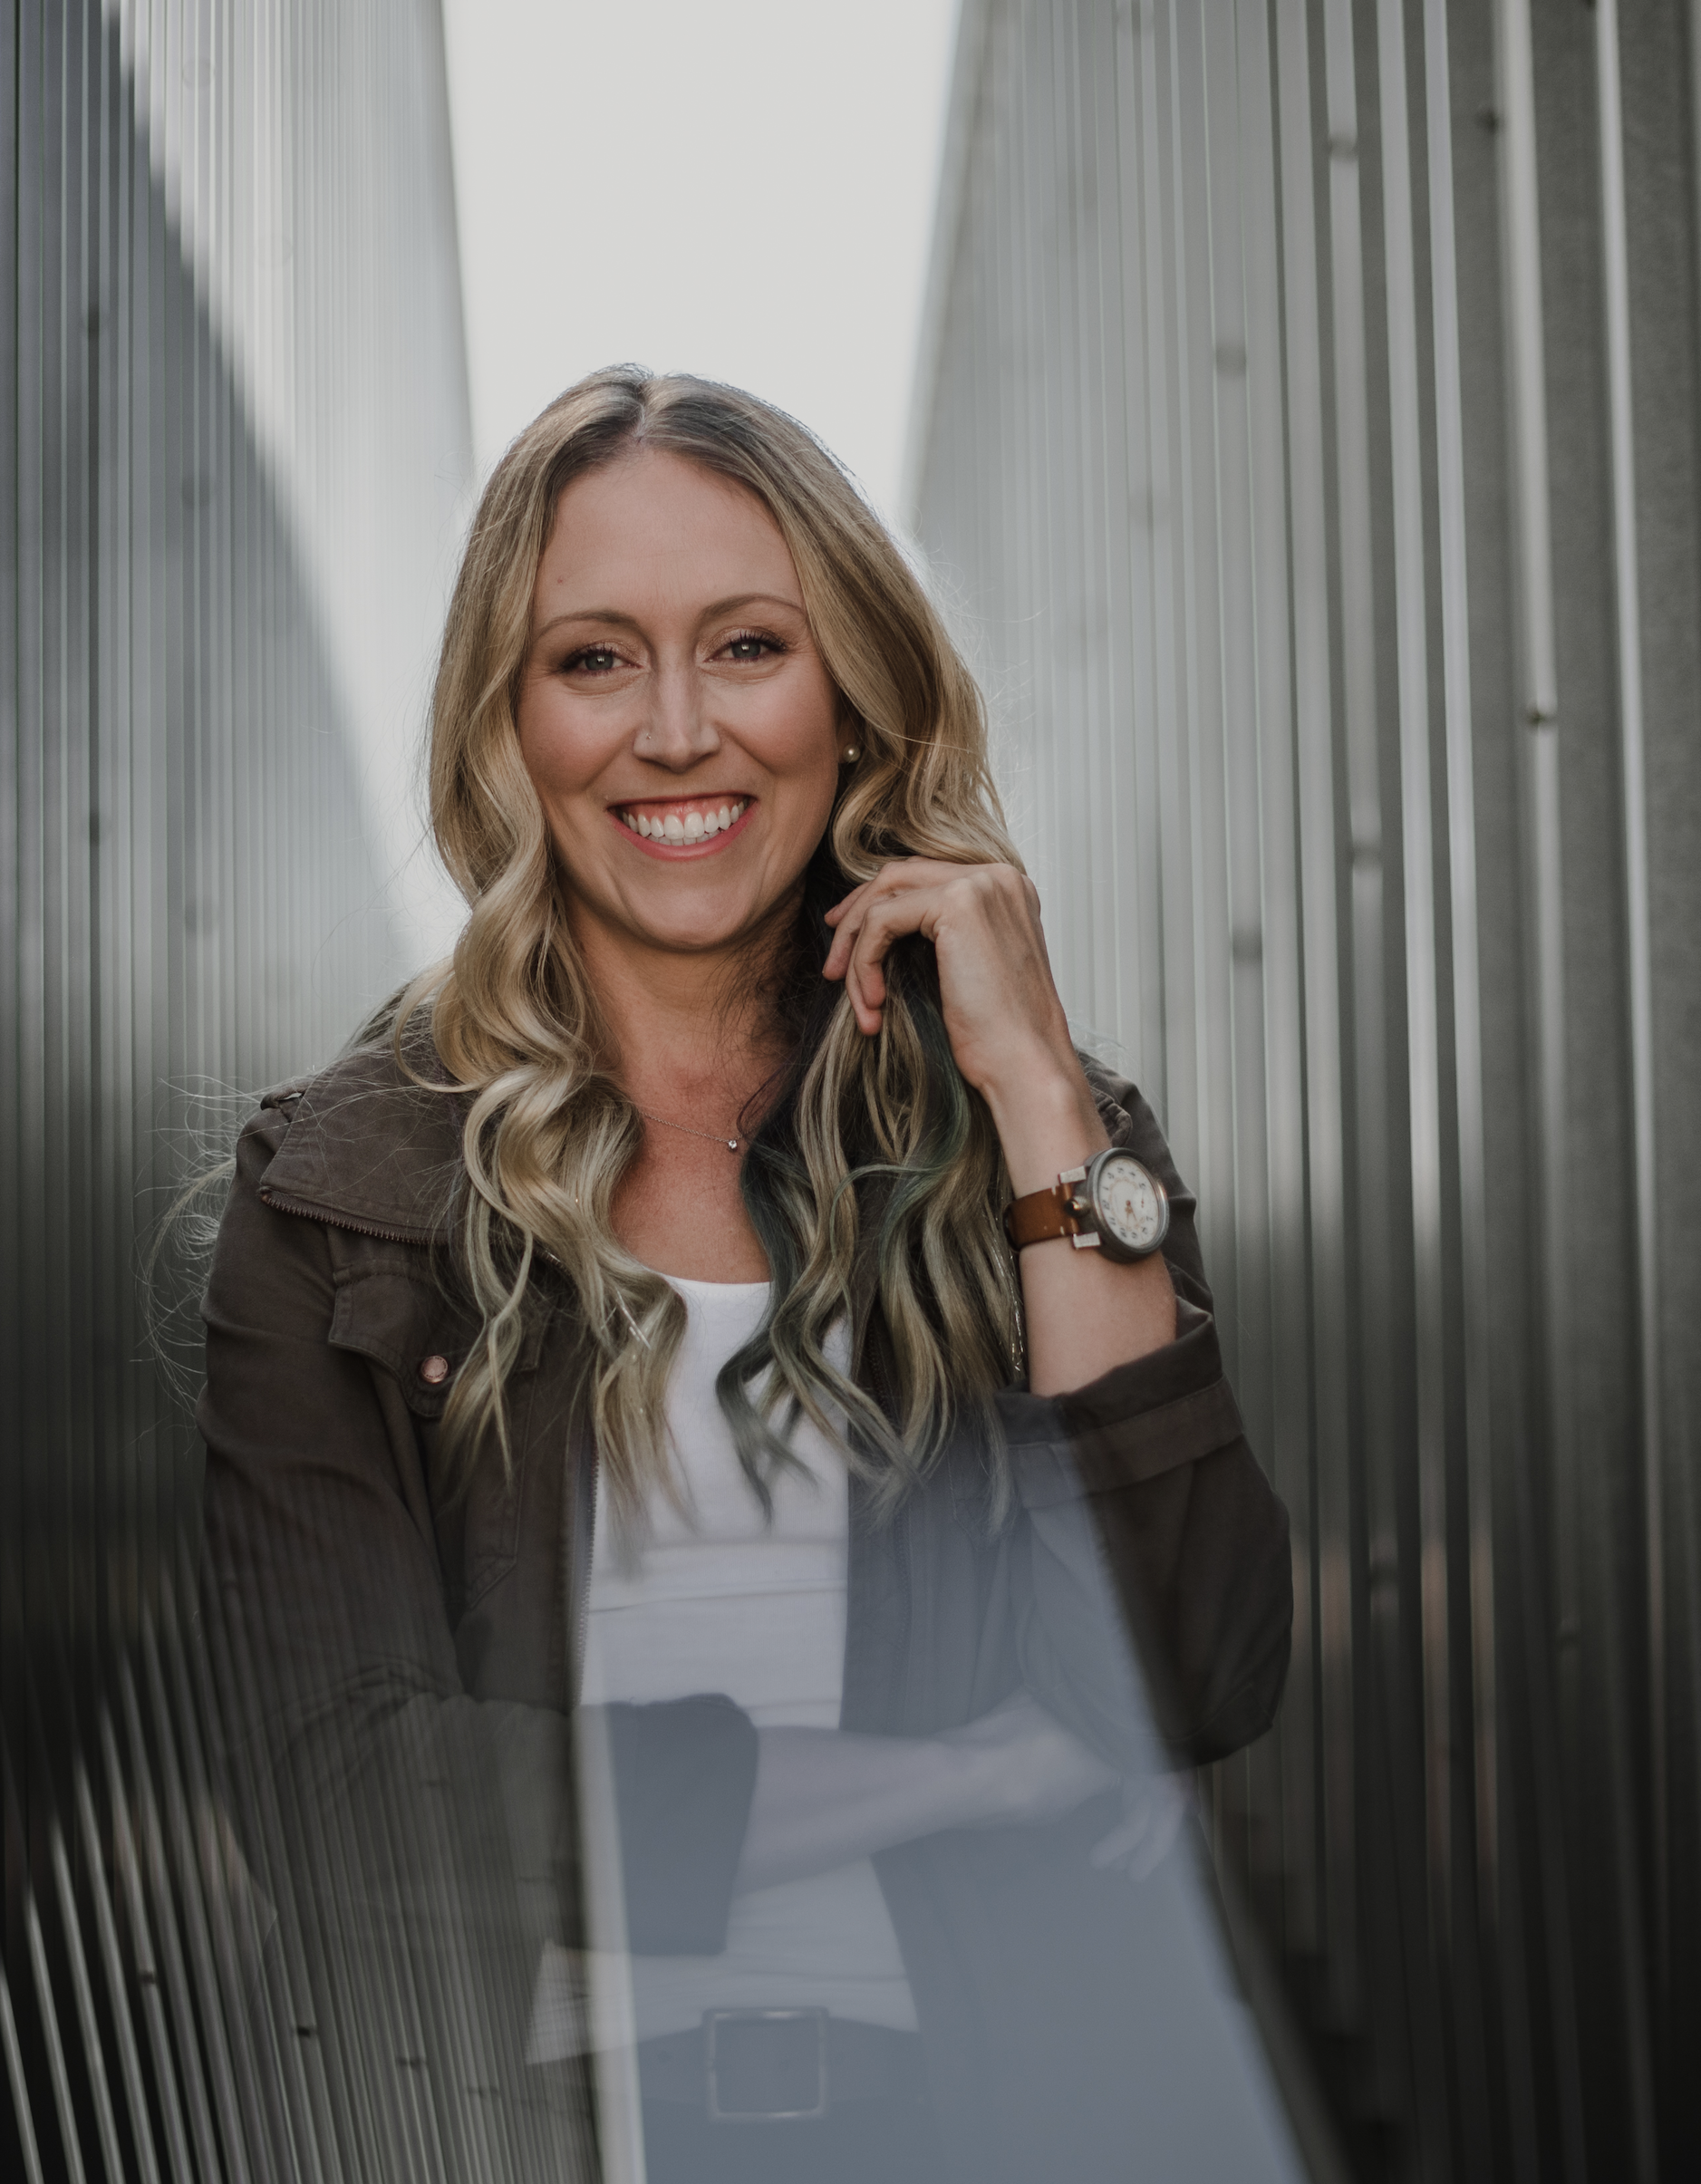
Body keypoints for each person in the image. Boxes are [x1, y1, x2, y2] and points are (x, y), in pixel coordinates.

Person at [198, 367, 1294, 2184]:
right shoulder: (348, 1189)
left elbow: (1185, 1667)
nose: (678, 729)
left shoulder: (1036, 1147)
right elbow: (340, 1806)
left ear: (853, 700)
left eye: (749, 645)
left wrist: (1032, 1089)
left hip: (985, 2124)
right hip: (493, 2132)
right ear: (511, 718)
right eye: (595, 658)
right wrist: (979, 1764)